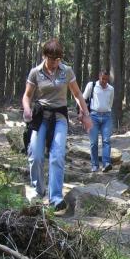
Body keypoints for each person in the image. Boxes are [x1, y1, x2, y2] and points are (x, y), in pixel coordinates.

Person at [21, 38, 92, 212]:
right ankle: (38, 191)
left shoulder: (66, 71)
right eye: (52, 59)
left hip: (60, 117)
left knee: (57, 155)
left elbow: (77, 93)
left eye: (58, 59)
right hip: (40, 116)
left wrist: (85, 114)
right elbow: (27, 96)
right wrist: (27, 109)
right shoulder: (35, 72)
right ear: (44, 56)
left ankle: (56, 198)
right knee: (35, 155)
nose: (55, 62)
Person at [83, 70, 115, 172]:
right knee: (93, 142)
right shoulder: (92, 85)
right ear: (99, 77)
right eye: (103, 79)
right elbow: (83, 99)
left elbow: (110, 103)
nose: (104, 81)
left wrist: (106, 110)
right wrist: (83, 115)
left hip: (107, 117)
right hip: (94, 116)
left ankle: (106, 164)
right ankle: (95, 165)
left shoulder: (111, 89)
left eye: (106, 79)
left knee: (106, 140)